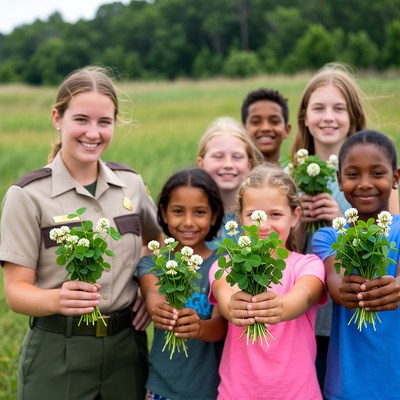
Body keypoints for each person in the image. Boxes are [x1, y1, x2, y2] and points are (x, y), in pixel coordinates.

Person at [0, 66, 163, 400]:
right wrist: (56, 299)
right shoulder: (27, 195)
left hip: (126, 349)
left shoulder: (129, 184)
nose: (93, 132)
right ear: (57, 118)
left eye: (104, 122)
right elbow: (16, 292)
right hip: (57, 350)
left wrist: (150, 289)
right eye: (81, 120)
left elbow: (157, 242)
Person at [292, 62, 399, 390]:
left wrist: (337, 210)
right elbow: (311, 266)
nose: (328, 116)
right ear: (305, 117)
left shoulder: (375, 177)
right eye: (319, 107)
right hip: (314, 325)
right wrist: (300, 222)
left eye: (338, 108)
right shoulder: (288, 177)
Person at [209, 163, 327, 400]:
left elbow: (304, 294)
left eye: (275, 214)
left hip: (298, 394)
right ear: (239, 217)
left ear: (294, 216)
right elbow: (225, 293)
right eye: (254, 215)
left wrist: (280, 307)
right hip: (237, 394)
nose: (263, 225)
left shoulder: (307, 264)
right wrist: (233, 305)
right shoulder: (227, 265)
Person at [312, 130, 400, 400]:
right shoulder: (328, 236)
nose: (364, 183)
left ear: (395, 178)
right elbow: (336, 283)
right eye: (352, 174)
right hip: (346, 387)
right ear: (339, 180)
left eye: (377, 173)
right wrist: (348, 291)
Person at [138, 168, 227, 400]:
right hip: (162, 387)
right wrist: (160, 309)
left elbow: (220, 327)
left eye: (199, 212)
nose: (188, 222)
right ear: (164, 214)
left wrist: (199, 328)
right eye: (178, 211)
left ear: (215, 215)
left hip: (210, 389)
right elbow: (153, 294)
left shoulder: (222, 265)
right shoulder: (153, 262)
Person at [196, 116, 264, 250]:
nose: (228, 164)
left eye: (237, 157)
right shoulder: (192, 214)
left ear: (249, 164)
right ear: (201, 163)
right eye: (218, 156)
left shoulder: (261, 213)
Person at [241, 88, 291, 163]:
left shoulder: (295, 173)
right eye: (256, 122)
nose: (265, 128)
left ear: (286, 130)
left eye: (274, 121)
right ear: (243, 130)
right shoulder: (236, 173)